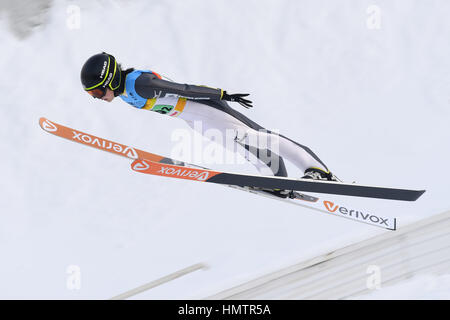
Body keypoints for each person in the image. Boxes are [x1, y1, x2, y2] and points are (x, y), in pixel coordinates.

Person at [80, 52, 338, 196]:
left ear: (109, 79)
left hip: (206, 109)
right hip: (191, 118)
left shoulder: (139, 83)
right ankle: (278, 181)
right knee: (244, 148)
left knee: (258, 138)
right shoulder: (126, 92)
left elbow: (184, 89)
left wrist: (222, 95)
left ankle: (320, 171)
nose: (98, 98)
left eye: (97, 92)